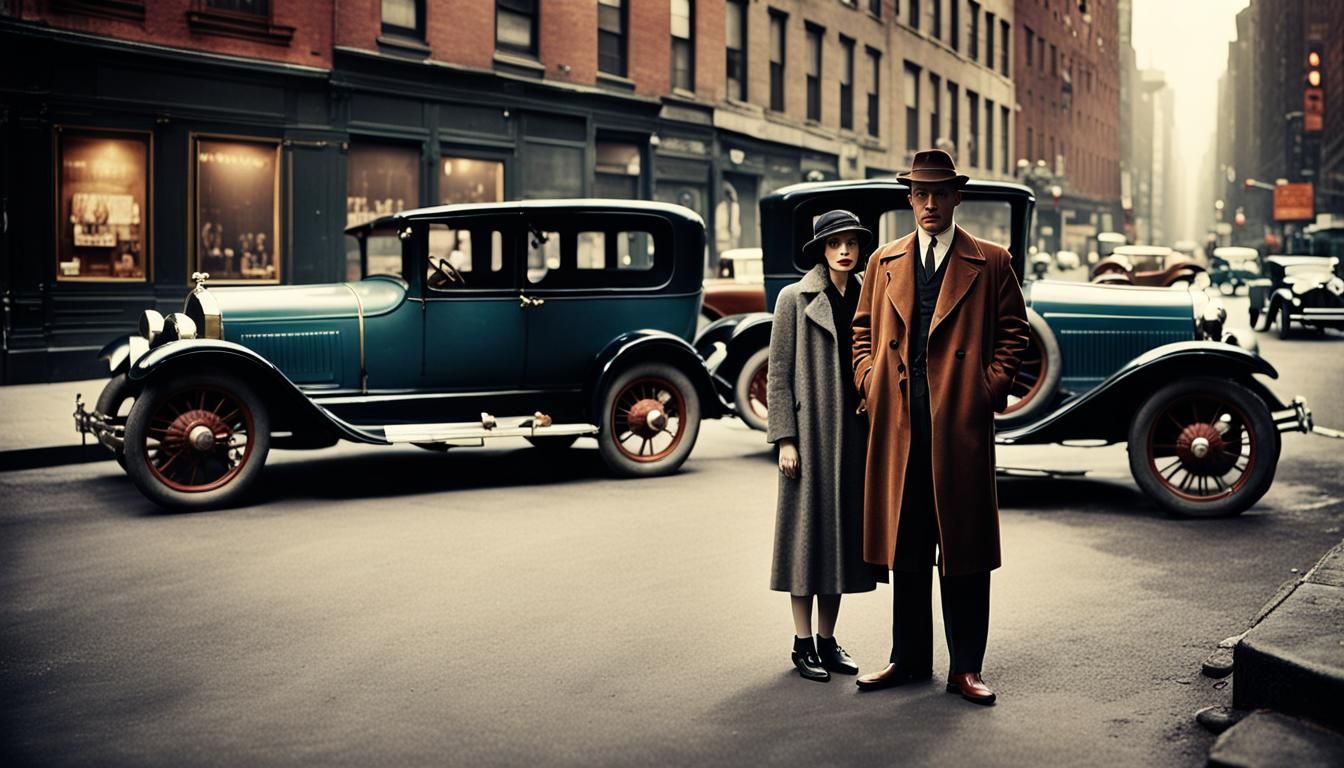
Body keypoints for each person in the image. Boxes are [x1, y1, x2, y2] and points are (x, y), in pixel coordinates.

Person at [850, 149, 1029, 704]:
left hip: (959, 427)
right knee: (907, 550)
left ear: (956, 198)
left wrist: (986, 389)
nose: (929, 204)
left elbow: (1014, 333)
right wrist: (869, 379)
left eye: (939, 194)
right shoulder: (883, 261)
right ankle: (907, 659)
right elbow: (861, 332)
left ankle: (965, 668)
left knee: (964, 552)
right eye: (920, 195)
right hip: (899, 428)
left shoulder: (992, 260)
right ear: (909, 200)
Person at [767, 209, 887, 683]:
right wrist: (784, 439)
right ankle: (801, 644)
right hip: (809, 437)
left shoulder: (866, 295)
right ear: (820, 249)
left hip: (854, 438)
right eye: (835, 243)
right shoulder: (793, 298)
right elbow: (778, 374)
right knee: (805, 540)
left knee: (839, 541)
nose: (844, 251)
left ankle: (827, 640)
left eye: (852, 244)